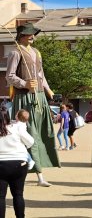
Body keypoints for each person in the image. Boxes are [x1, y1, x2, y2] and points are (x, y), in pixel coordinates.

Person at [5, 22, 60, 187]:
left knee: (43, 133)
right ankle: (37, 175)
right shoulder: (15, 52)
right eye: (29, 33)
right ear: (21, 35)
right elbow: (9, 77)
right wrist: (24, 83)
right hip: (24, 99)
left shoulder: (36, 52)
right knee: (30, 135)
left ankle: (39, 170)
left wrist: (50, 92)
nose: (32, 36)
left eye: (34, 33)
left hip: (41, 98)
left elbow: (41, 76)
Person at [0, 107, 34, 218]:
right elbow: (30, 142)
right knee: (18, 194)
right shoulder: (16, 127)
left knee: (1, 196)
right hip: (19, 163)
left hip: (1, 164)